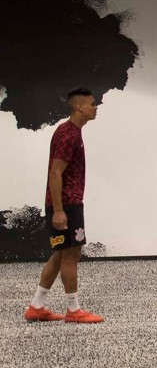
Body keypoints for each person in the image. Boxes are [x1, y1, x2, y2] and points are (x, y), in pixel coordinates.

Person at [23, 88, 104, 323]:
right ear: (78, 107)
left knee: (60, 255)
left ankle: (36, 306)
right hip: (67, 204)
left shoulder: (71, 132)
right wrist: (58, 210)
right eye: (91, 104)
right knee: (71, 255)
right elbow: (55, 172)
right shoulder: (68, 134)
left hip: (67, 203)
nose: (95, 107)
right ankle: (73, 310)